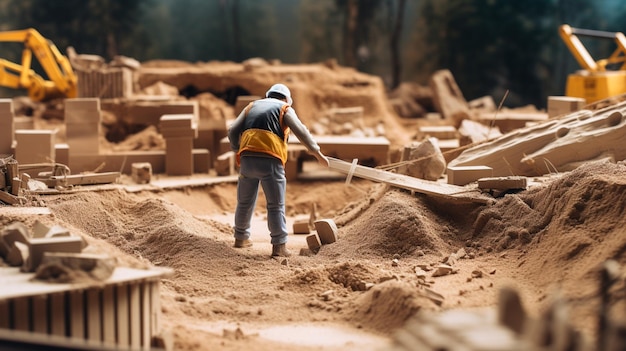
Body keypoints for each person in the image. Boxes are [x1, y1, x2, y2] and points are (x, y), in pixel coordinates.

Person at [228, 83, 329, 257]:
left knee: (244, 201)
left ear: (268, 95)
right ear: (286, 99)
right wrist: (317, 154)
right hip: (270, 159)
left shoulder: (251, 106)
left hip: (247, 160)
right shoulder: (284, 108)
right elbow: (302, 132)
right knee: (275, 205)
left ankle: (241, 238)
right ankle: (279, 247)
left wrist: (238, 148)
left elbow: (232, 131)